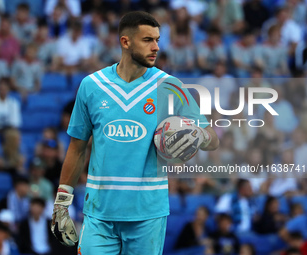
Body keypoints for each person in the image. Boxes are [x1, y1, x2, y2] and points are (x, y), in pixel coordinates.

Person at [50, 11, 219, 255]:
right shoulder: (92, 86)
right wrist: (62, 203)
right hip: (100, 212)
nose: (156, 47)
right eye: (147, 40)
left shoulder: (170, 86)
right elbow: (76, 148)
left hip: (147, 213)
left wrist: (199, 135)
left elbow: (211, 138)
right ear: (125, 42)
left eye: (158, 40)